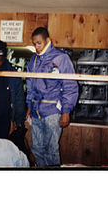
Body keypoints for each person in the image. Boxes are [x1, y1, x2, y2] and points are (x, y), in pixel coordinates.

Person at [26, 27, 78, 167]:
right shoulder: (33, 60)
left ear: (47, 40)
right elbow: (30, 84)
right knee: (36, 148)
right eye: (34, 44)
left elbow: (70, 85)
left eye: (39, 43)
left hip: (53, 111)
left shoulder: (61, 58)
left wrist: (66, 111)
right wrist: (29, 105)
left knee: (51, 150)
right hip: (37, 112)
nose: (36, 47)